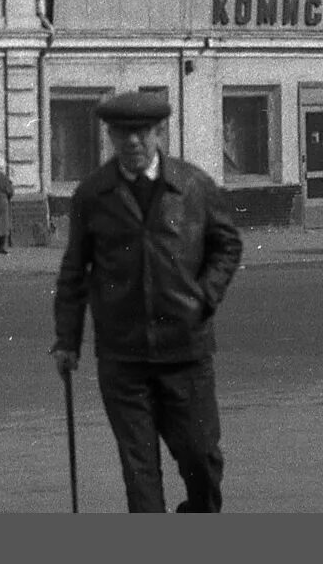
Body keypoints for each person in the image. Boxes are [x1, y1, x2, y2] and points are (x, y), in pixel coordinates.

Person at [51, 89, 243, 513]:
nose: (132, 141)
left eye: (141, 132)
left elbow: (227, 244)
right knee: (140, 475)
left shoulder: (193, 186)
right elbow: (73, 271)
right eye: (121, 133)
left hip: (186, 354)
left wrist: (204, 297)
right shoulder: (93, 194)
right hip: (124, 358)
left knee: (202, 460)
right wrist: (67, 340)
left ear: (159, 132)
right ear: (110, 136)